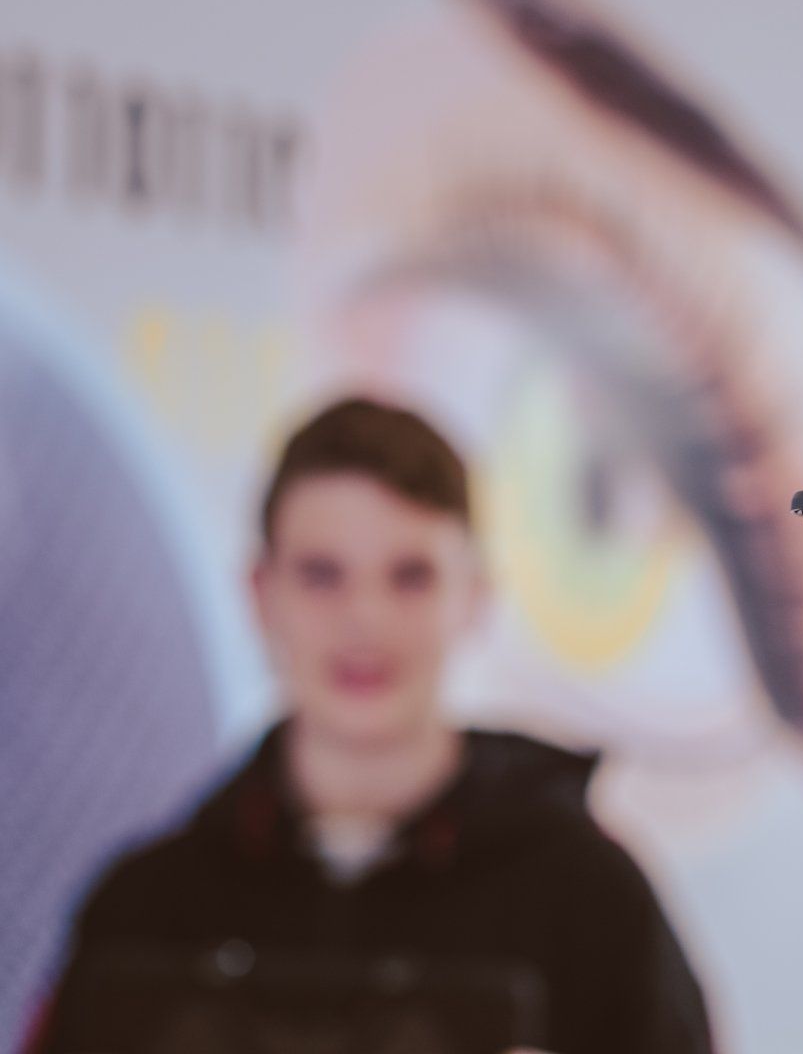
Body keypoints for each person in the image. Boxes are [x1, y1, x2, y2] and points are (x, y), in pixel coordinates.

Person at [38, 396, 714, 1053]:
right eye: (322, 574)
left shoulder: (590, 906)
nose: (364, 617)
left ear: (474, 597)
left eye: (410, 576)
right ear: (260, 593)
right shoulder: (146, 913)